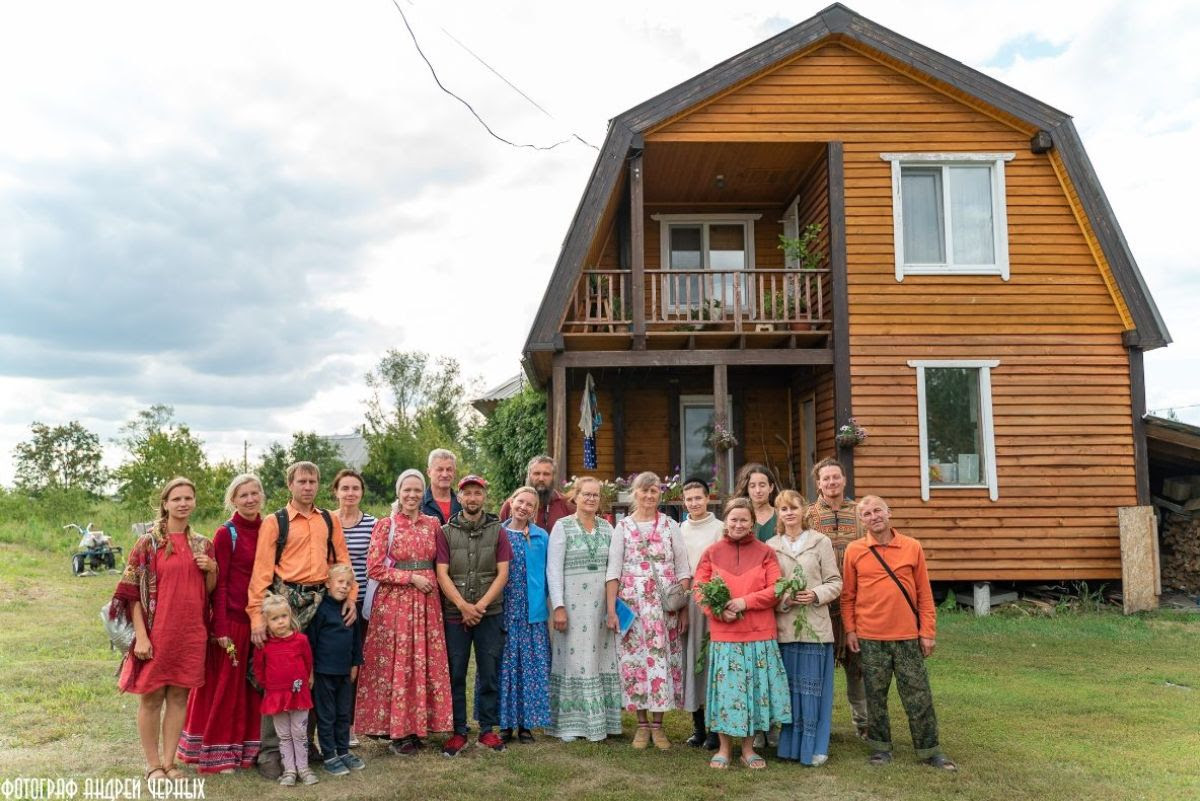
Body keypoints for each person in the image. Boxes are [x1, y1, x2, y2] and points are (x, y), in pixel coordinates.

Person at [246, 461, 355, 778]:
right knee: (278, 677)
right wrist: (257, 617)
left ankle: (306, 746)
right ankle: (270, 752)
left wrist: (349, 596)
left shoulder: (328, 519)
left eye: (313, 481)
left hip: (321, 602)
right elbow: (261, 574)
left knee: (314, 675)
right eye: (302, 481)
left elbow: (342, 562)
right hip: (286, 605)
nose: (308, 487)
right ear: (290, 484)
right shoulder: (275, 521)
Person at [112, 477, 216, 784]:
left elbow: (208, 592)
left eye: (188, 498)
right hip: (157, 633)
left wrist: (212, 569)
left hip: (190, 633)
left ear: (194, 503)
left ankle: (171, 764)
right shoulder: (148, 543)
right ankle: (153, 765)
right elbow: (131, 594)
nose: (183, 503)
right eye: (177, 499)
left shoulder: (203, 544)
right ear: (166, 503)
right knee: (152, 698)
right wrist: (141, 637)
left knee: (180, 698)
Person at [843, 496, 956, 771]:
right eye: (867, 513)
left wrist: (927, 632)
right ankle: (880, 749)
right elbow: (848, 596)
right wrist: (850, 630)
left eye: (877, 510)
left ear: (888, 513)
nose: (873, 516)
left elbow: (924, 595)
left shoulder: (911, 547)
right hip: (870, 637)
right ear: (861, 521)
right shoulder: (854, 550)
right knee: (875, 697)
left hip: (907, 636)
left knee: (918, 695)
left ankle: (930, 750)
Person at [355, 469, 452, 755]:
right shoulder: (387, 525)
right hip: (395, 603)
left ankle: (418, 726)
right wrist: (409, 578)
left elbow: (441, 563)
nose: (411, 495)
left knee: (423, 661)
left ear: (424, 493)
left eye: (416, 490)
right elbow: (373, 568)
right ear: (398, 492)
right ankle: (396, 732)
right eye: (406, 490)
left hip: (426, 603)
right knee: (397, 664)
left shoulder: (433, 523)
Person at [691, 498, 791, 770]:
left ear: (752, 523)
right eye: (733, 519)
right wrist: (718, 611)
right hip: (726, 636)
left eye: (743, 520)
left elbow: (776, 588)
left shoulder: (765, 552)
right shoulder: (711, 553)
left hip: (758, 634)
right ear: (726, 521)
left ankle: (748, 749)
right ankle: (724, 748)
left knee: (753, 694)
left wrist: (745, 602)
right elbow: (699, 588)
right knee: (726, 693)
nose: (738, 524)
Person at [177, 474, 265, 774]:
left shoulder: (269, 528)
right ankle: (217, 753)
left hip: (261, 619)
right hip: (233, 620)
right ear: (233, 500)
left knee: (252, 689)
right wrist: (221, 629)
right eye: (244, 495)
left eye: (255, 493)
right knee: (226, 689)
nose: (250, 499)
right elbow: (220, 583)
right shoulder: (226, 533)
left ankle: (248, 751)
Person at [605, 471, 692, 750]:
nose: (649, 496)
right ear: (635, 493)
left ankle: (658, 726)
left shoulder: (670, 526)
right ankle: (641, 726)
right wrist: (611, 610)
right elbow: (613, 570)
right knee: (635, 663)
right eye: (644, 491)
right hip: (632, 605)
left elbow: (682, 569)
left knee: (660, 662)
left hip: (663, 605)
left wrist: (682, 607)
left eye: (654, 491)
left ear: (660, 494)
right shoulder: (624, 527)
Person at [435, 475, 511, 756]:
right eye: (467, 493)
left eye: (477, 493)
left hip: (489, 612)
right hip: (456, 614)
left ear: (484, 497)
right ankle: (458, 731)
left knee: (489, 671)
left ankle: (488, 730)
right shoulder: (445, 531)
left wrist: (479, 606)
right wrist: (464, 606)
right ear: (459, 497)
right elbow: (442, 573)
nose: (472, 498)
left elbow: (503, 573)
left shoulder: (498, 531)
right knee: (455, 673)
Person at [766, 490, 842, 766]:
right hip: (786, 627)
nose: (789, 512)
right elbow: (769, 587)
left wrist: (815, 594)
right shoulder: (771, 545)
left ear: (804, 511)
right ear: (778, 513)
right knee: (789, 690)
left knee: (815, 691)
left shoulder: (820, 542)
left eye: (794, 507)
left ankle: (816, 746)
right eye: (783, 508)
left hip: (815, 627)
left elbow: (835, 581)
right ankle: (788, 747)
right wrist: (783, 599)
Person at [545, 476, 623, 742]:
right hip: (573, 606)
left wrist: (612, 607)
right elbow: (553, 571)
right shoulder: (562, 527)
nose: (591, 499)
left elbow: (614, 569)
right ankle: (571, 725)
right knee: (574, 661)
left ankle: (604, 722)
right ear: (575, 497)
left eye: (595, 495)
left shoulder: (607, 528)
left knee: (600, 659)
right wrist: (558, 607)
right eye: (586, 494)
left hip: (601, 607)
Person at [808, 457, 868, 738]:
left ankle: (864, 722)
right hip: (819, 605)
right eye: (825, 478)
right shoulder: (808, 516)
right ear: (818, 484)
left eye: (836, 477)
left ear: (844, 480)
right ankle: (821, 725)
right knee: (820, 666)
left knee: (858, 667)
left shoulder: (860, 513)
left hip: (856, 604)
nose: (831, 482)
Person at [493, 486, 552, 742]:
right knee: (507, 667)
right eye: (520, 502)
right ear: (511, 502)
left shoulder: (541, 537)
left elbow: (549, 572)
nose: (524, 507)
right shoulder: (498, 533)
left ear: (534, 510)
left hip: (532, 610)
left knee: (530, 667)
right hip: (505, 608)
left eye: (530, 504)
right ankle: (505, 724)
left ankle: (526, 724)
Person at [307, 564, 365, 776]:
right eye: (340, 582)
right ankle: (329, 753)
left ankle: (343, 750)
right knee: (327, 715)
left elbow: (356, 640)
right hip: (323, 673)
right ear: (328, 583)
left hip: (344, 672)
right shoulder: (320, 610)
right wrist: (311, 671)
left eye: (348, 583)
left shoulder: (351, 610)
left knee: (343, 713)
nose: (344, 587)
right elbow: (310, 643)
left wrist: (355, 664)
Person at [331, 468, 374, 748]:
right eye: (345, 488)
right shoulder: (325, 520)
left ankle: (350, 726)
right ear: (336, 492)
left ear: (361, 492)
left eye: (355, 488)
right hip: (331, 600)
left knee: (355, 665)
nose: (350, 493)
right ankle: (326, 724)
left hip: (361, 602)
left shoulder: (373, 523)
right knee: (331, 664)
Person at [255, 595, 317, 786]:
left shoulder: (301, 640)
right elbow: (259, 669)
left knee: (299, 732)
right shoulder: (264, 645)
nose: (280, 621)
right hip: (276, 696)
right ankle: (289, 770)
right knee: (284, 736)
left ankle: (304, 769)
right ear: (266, 622)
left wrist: (308, 678)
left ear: (290, 615)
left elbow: (308, 662)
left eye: (283, 616)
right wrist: (270, 686)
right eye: (274, 618)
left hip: (298, 694)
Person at [678, 478, 722, 750]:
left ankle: (716, 729)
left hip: (713, 597)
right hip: (689, 600)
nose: (694, 503)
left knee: (713, 661)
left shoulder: (720, 529)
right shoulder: (680, 529)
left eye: (698, 498)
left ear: (708, 498)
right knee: (693, 659)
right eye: (689, 499)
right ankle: (698, 726)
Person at [498, 455, 575, 533]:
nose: (541, 478)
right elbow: (499, 536)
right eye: (536, 473)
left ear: (553, 477)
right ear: (529, 476)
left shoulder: (566, 505)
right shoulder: (512, 505)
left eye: (546, 474)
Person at [734, 463, 780, 542]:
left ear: (771, 487)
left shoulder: (781, 515)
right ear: (747, 489)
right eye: (752, 486)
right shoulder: (738, 517)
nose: (758, 490)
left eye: (762, 485)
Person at [421, 448, 462, 524]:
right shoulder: (418, 504)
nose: (445, 474)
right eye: (440, 469)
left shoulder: (462, 503)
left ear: (454, 473)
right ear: (429, 472)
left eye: (449, 470)